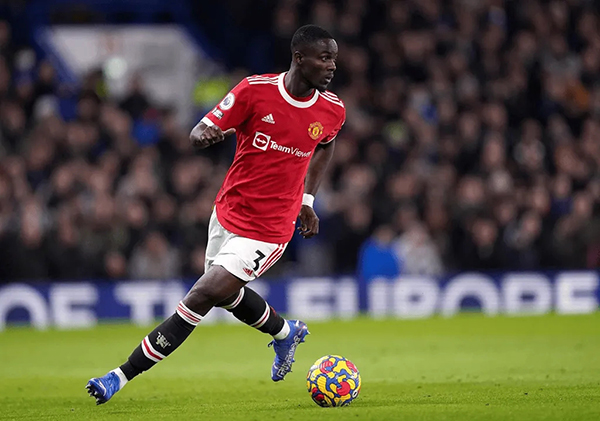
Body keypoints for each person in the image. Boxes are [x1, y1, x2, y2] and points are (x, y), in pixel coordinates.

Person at [86, 24, 345, 405]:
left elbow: (325, 144)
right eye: (324, 58)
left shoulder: (332, 109)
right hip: (227, 213)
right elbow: (201, 130)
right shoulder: (254, 91)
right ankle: (285, 332)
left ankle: (119, 376)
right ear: (298, 58)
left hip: (269, 229)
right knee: (226, 295)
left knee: (203, 294)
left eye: (333, 59)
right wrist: (204, 135)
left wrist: (307, 201)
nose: (332, 66)